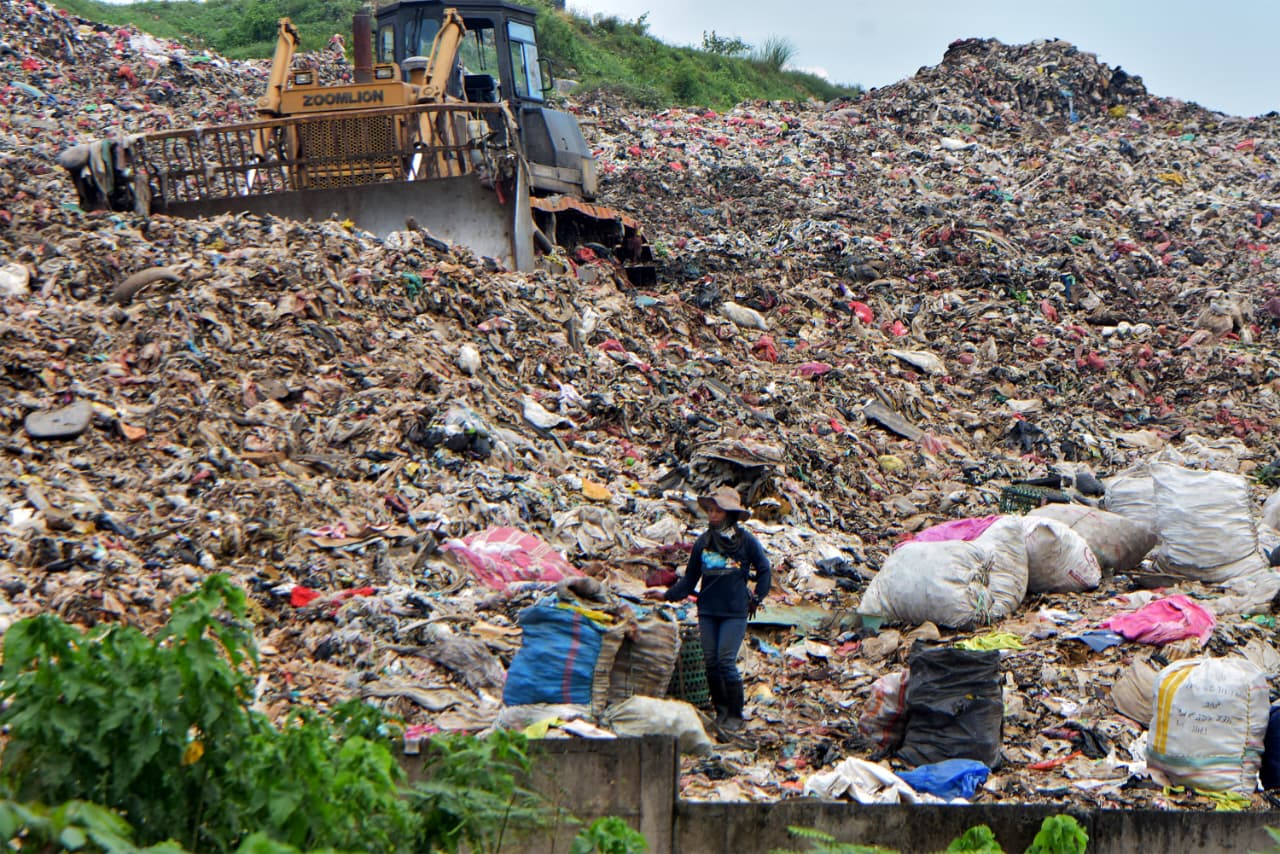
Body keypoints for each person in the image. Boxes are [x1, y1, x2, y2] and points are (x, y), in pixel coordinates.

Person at [646, 485, 771, 731]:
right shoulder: (703, 542)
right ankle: (721, 712)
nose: (713, 515)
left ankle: (735, 714)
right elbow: (690, 579)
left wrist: (758, 597)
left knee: (725, 662)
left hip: (734, 612)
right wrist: (666, 595)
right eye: (711, 510)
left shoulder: (746, 542)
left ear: (730, 514)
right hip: (708, 611)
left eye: (719, 511)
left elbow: (764, 569)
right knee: (710, 663)